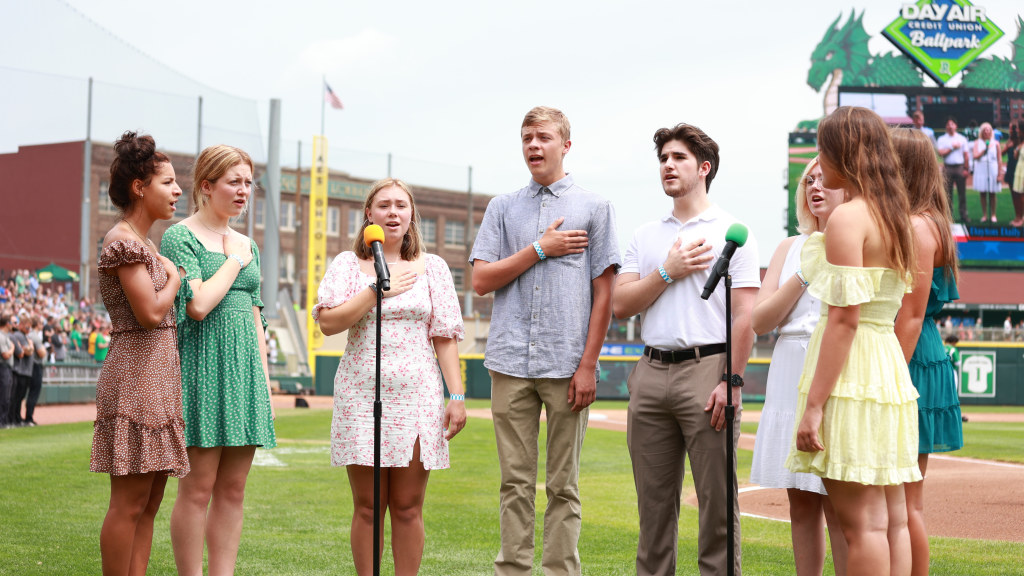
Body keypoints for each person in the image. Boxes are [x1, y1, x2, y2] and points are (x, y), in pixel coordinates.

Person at [470, 106, 620, 576]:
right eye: (527, 138)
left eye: (544, 137)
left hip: (566, 365)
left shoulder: (595, 208)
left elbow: (605, 295)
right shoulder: (502, 207)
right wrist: (540, 249)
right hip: (509, 362)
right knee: (514, 483)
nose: (534, 146)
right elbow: (481, 281)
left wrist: (588, 365)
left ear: (565, 145)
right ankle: (512, 570)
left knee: (563, 485)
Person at [612, 122, 759, 576]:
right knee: (653, 509)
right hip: (651, 372)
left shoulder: (733, 232)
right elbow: (621, 305)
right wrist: (668, 270)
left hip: (708, 368)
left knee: (717, 507)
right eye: (663, 159)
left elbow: (745, 318)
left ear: (704, 168)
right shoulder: (645, 235)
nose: (668, 166)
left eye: (678, 158)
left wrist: (732, 382)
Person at [786, 106, 921, 576]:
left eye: (824, 151)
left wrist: (815, 406)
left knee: (859, 526)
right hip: (887, 371)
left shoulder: (849, 219)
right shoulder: (899, 217)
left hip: (854, 370)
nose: (819, 164)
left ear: (844, 152)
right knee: (892, 522)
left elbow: (844, 321)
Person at [313, 177, 467, 575]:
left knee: (408, 507)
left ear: (411, 214)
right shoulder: (348, 265)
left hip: (418, 396)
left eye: (401, 205)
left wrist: (458, 396)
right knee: (367, 508)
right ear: (369, 215)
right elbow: (328, 323)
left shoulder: (433, 268)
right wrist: (375, 291)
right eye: (384, 205)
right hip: (362, 395)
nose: (393, 212)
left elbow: (445, 337)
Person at [162, 144, 276, 576]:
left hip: (245, 374)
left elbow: (254, 314)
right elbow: (198, 305)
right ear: (206, 186)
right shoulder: (181, 236)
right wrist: (232, 260)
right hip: (202, 370)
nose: (244, 190)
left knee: (233, 491)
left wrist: (264, 384)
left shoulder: (248, 243)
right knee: (197, 489)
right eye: (234, 182)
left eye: (248, 182)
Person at [90, 131, 189, 576]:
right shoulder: (124, 242)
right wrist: (175, 279)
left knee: (149, 503)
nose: (178, 191)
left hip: (156, 381)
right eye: (167, 182)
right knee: (129, 504)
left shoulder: (144, 243)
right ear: (139, 187)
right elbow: (149, 313)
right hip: (134, 380)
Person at [750, 157, 848, 576]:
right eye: (809, 180)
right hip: (788, 367)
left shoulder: (857, 241)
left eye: (826, 180)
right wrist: (805, 274)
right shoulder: (789, 248)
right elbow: (759, 319)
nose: (815, 187)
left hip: (836, 369)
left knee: (842, 503)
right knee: (800, 500)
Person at [891, 127, 964, 576]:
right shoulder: (928, 219)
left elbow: (911, 315)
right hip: (920, 350)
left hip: (911, 355)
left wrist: (888, 379)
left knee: (904, 499)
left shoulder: (919, 225)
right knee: (903, 497)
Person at [936, 116, 970, 223]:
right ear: (946, 126)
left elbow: (966, 155)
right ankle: (948, 217)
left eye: (952, 124)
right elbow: (940, 153)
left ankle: (963, 215)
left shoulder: (962, 138)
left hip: (960, 167)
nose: (950, 126)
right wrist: (952, 148)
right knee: (947, 194)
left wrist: (966, 168)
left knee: (962, 194)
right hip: (948, 168)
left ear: (956, 126)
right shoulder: (942, 139)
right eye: (948, 124)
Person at [971, 122, 1002, 223]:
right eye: (984, 129)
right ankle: (984, 215)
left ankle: (993, 214)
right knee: (982, 193)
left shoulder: (996, 143)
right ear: (982, 131)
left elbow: (999, 160)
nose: (986, 131)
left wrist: (999, 174)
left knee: (992, 193)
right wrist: (984, 150)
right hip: (981, 168)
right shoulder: (977, 142)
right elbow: (975, 156)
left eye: (988, 129)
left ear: (991, 131)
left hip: (992, 168)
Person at [1002, 123, 1022, 226]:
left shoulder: (1020, 142)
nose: (1009, 130)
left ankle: (1021, 217)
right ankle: (1017, 216)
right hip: (1010, 169)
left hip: (1019, 170)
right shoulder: (1010, 141)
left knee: (1020, 195)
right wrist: (1007, 146)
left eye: (1011, 128)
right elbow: (1002, 153)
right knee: (1014, 195)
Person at [0, 314, 14, 428]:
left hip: (7, 368)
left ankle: (3, 422)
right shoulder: (1, 336)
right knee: (3, 396)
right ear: (7, 324)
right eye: (11, 323)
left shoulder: (6, 336)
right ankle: (2, 422)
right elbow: (5, 355)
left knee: (6, 397)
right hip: (3, 367)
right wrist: (13, 348)